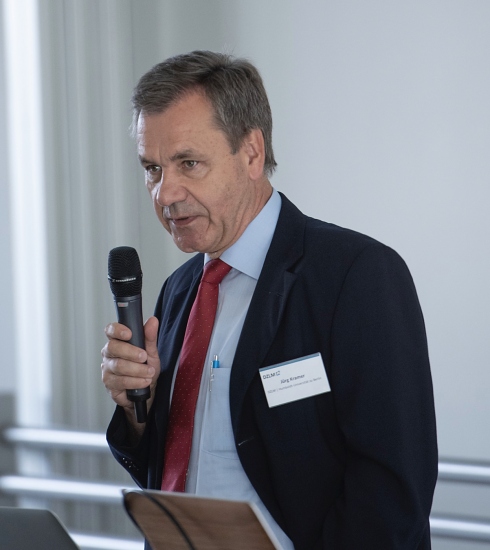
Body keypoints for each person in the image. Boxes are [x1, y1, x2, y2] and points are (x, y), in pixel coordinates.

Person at [101, 50, 438, 549]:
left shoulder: (356, 276)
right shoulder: (178, 290)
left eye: (189, 163)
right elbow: (173, 469)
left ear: (252, 154)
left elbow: (392, 490)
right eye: (153, 168)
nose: (165, 194)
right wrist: (137, 410)